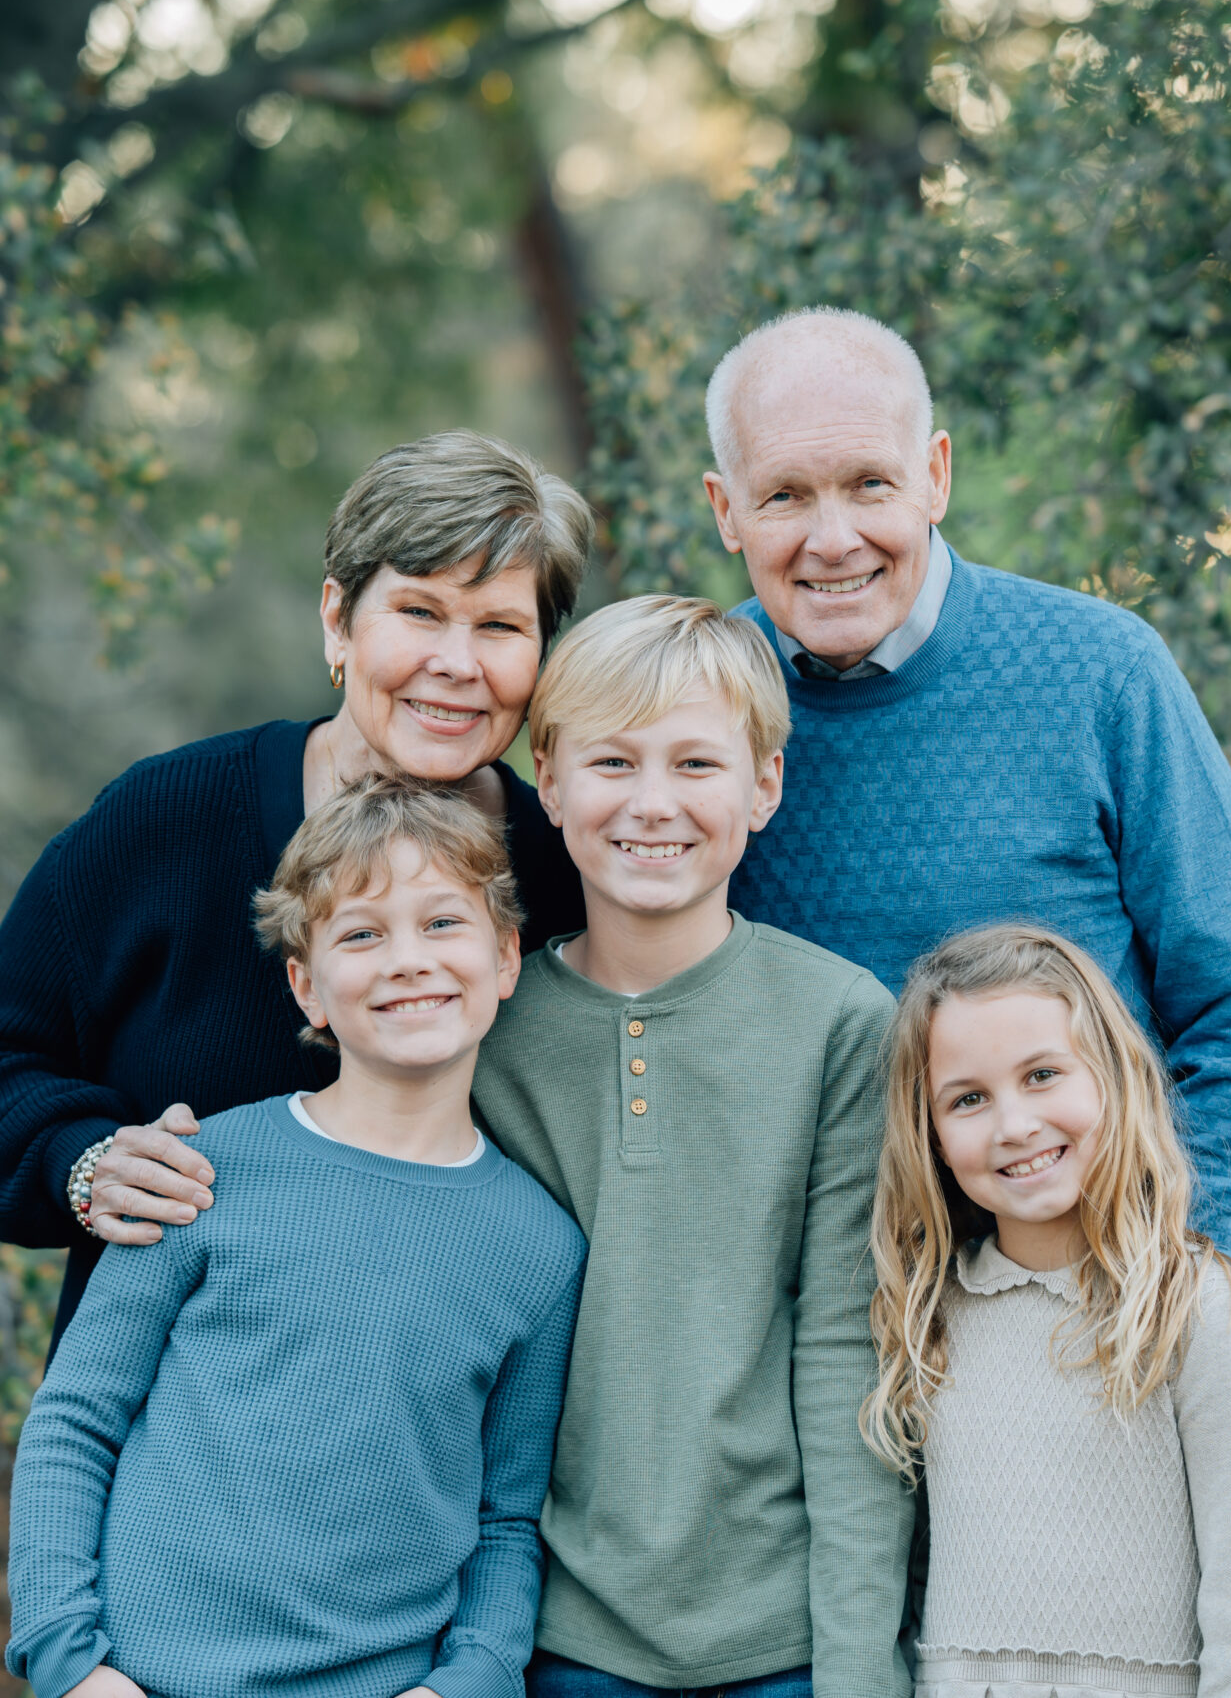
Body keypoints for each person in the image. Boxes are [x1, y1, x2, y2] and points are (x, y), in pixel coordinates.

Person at [0, 431, 592, 1349]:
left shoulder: (566, 880)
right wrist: (82, 1161)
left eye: (499, 626)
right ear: (337, 618)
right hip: (167, 1435)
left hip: (430, 1453)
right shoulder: (169, 816)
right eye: (419, 610)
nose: (457, 661)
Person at [700, 307, 1231, 1263]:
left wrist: (1181, 1266)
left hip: (1092, 1300)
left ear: (936, 475)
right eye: (783, 496)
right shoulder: (699, 712)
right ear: (725, 507)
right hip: (822, 1320)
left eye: (871, 484)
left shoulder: (1102, 672)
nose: (832, 539)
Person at [5, 780, 586, 1698]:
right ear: (306, 984)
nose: (408, 961)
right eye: (362, 934)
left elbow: (506, 1515)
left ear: (507, 955)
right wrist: (69, 1658)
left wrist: (469, 1678)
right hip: (141, 1681)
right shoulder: (201, 1170)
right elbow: (76, 1421)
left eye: (443, 923)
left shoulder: (540, 1246)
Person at [466, 596, 915, 1698]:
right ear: (551, 778)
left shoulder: (840, 1020)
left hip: (784, 1643)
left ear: (763, 784)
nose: (652, 802)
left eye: (696, 763)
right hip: (552, 1634)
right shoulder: (482, 1028)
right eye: (612, 761)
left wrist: (860, 1665)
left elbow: (844, 1350)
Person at [862, 924, 1231, 1698]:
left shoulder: (1193, 1308)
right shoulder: (926, 1318)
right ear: (929, 1134)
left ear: (1112, 1075)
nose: (1013, 1124)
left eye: (1042, 1074)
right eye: (968, 1098)